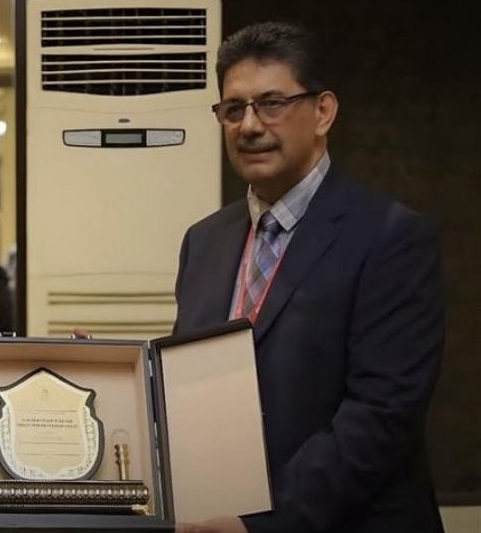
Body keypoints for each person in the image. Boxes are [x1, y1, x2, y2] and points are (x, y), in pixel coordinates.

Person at [173, 22, 444, 533]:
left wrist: (262, 523)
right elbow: (196, 385)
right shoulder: (203, 241)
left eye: (272, 103)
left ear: (323, 112)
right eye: (233, 109)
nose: (249, 125)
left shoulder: (393, 239)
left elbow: (380, 416)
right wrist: (119, 377)